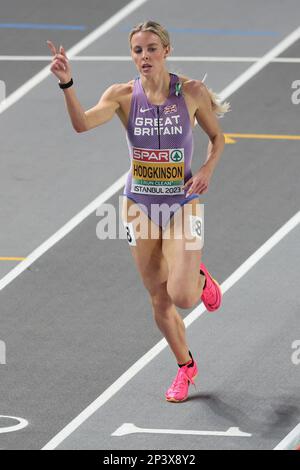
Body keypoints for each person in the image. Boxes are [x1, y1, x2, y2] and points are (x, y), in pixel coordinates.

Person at [47, 20, 230, 403]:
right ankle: (186, 367)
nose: (144, 57)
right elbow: (82, 124)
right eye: (137, 51)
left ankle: (199, 279)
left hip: (183, 203)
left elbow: (218, 137)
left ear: (166, 51)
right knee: (159, 299)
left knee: (182, 295)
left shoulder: (191, 92)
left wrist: (208, 170)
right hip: (139, 208)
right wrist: (67, 83)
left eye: (150, 49)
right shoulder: (122, 96)